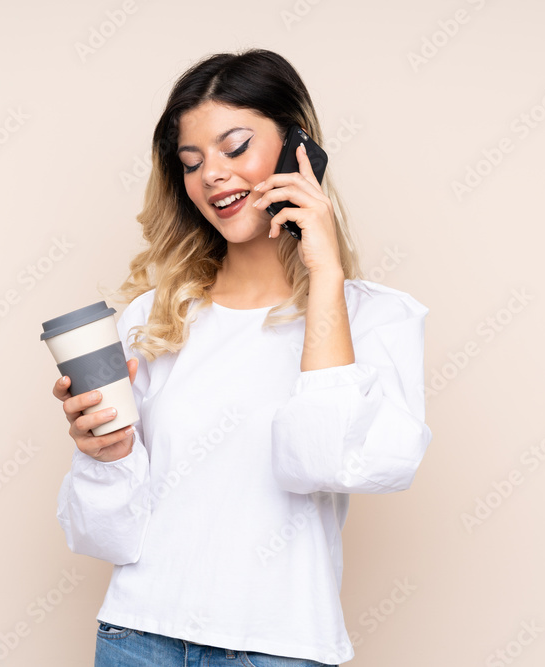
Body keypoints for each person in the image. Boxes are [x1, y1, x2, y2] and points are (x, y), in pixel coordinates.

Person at [53, 48, 432, 667]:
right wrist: (108, 456)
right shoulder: (152, 320)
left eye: (236, 147)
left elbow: (327, 462)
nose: (213, 176)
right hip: (137, 638)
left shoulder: (375, 317)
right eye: (192, 162)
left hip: (278, 648)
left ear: (296, 150)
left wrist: (325, 273)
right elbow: (106, 535)